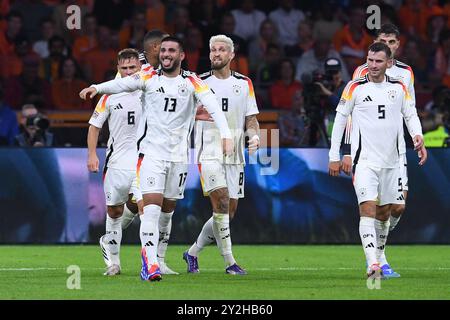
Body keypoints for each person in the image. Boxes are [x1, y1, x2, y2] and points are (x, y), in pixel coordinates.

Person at [80, 36, 233, 282]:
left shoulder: (192, 81)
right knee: (149, 208)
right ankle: (149, 264)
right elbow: (121, 85)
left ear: (181, 55)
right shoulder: (148, 77)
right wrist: (97, 87)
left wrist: (226, 134)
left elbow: (213, 106)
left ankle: (158, 259)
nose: (166, 54)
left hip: (179, 158)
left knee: (167, 210)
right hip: (150, 156)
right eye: (163, 50)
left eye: (172, 50)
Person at [328, 42, 425, 279]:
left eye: (378, 61)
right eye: (370, 60)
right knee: (368, 210)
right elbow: (340, 120)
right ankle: (372, 264)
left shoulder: (399, 87)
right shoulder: (354, 87)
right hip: (365, 162)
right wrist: (335, 155)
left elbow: (410, 114)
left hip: (392, 162)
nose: (372, 65)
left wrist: (418, 137)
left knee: (385, 213)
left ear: (389, 63)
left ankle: (380, 257)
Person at [183, 34, 260, 275]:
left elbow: (251, 118)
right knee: (223, 202)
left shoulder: (244, 82)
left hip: (235, 154)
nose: (216, 54)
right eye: (212, 50)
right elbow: (180, 113)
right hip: (209, 152)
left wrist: (255, 136)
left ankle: (192, 252)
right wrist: (195, 115)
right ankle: (230, 263)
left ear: (231, 55)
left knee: (228, 211)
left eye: (221, 50)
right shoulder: (198, 82)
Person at [86, 48, 143, 276]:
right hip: (117, 162)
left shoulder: (148, 89)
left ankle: (151, 262)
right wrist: (92, 155)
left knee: (146, 208)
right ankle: (114, 262)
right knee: (114, 211)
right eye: (124, 68)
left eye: (132, 68)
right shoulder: (109, 95)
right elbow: (94, 126)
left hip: (143, 161)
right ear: (118, 68)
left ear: (140, 67)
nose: (128, 72)